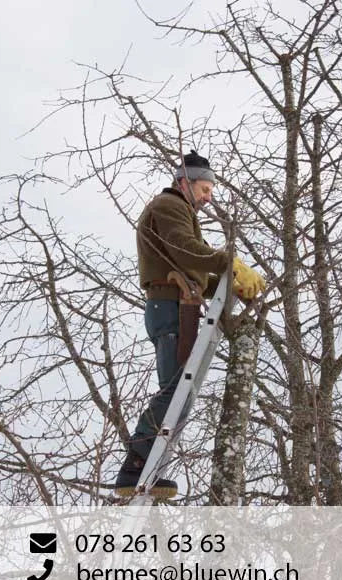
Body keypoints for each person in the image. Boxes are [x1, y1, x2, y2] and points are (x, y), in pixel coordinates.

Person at [114, 150, 265, 497]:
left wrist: (230, 287)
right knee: (175, 390)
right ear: (185, 182)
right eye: (205, 188)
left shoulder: (179, 211)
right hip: (169, 305)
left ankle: (144, 471)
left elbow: (192, 269)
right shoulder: (169, 207)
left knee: (181, 392)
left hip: (175, 302)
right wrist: (231, 263)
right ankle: (134, 467)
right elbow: (186, 250)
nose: (209, 197)